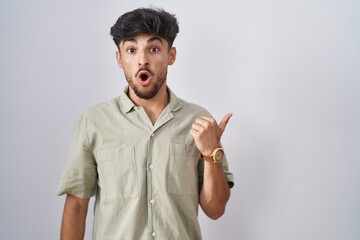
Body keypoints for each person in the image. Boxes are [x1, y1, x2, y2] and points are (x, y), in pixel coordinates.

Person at [56, 7, 234, 240]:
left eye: (153, 49)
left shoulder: (199, 121)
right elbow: (77, 206)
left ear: (171, 55)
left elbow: (215, 210)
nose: (142, 60)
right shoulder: (93, 122)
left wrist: (212, 155)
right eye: (131, 50)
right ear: (119, 59)